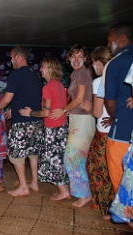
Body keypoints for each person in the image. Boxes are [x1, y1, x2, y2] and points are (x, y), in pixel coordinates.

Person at [0, 46, 43, 197]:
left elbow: (6, 99)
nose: (11, 61)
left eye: (12, 58)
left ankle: (24, 187)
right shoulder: (34, 74)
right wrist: (15, 108)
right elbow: (30, 96)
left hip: (22, 123)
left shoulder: (16, 74)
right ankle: (35, 183)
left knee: (16, 155)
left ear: (18, 57)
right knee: (33, 153)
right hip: (36, 121)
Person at [50, 44, 95, 207]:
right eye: (73, 56)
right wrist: (69, 111)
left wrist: (63, 110)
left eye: (80, 56)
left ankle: (85, 194)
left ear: (85, 59)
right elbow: (77, 100)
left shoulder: (82, 73)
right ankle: (82, 192)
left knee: (73, 158)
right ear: (69, 58)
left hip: (83, 120)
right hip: (78, 118)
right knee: (74, 158)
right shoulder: (77, 73)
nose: (76, 60)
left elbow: (79, 98)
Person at [19, 57, 70, 200]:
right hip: (62, 127)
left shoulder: (47, 87)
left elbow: (46, 113)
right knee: (59, 159)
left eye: (43, 67)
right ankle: (64, 189)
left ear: (50, 69)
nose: (40, 70)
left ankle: (63, 190)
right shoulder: (59, 84)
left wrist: (31, 113)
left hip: (53, 128)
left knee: (52, 159)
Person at [80, 46, 114, 217]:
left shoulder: (99, 81)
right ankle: (102, 202)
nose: (93, 67)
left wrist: (89, 107)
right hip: (116, 131)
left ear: (99, 63)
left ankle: (106, 207)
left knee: (97, 168)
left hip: (103, 132)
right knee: (111, 168)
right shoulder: (119, 77)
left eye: (93, 63)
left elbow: (98, 112)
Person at [104, 21, 133, 194]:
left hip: (122, 129)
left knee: (119, 172)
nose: (108, 45)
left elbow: (110, 101)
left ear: (122, 39)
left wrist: (116, 118)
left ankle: (127, 214)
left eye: (110, 40)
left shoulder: (116, 63)